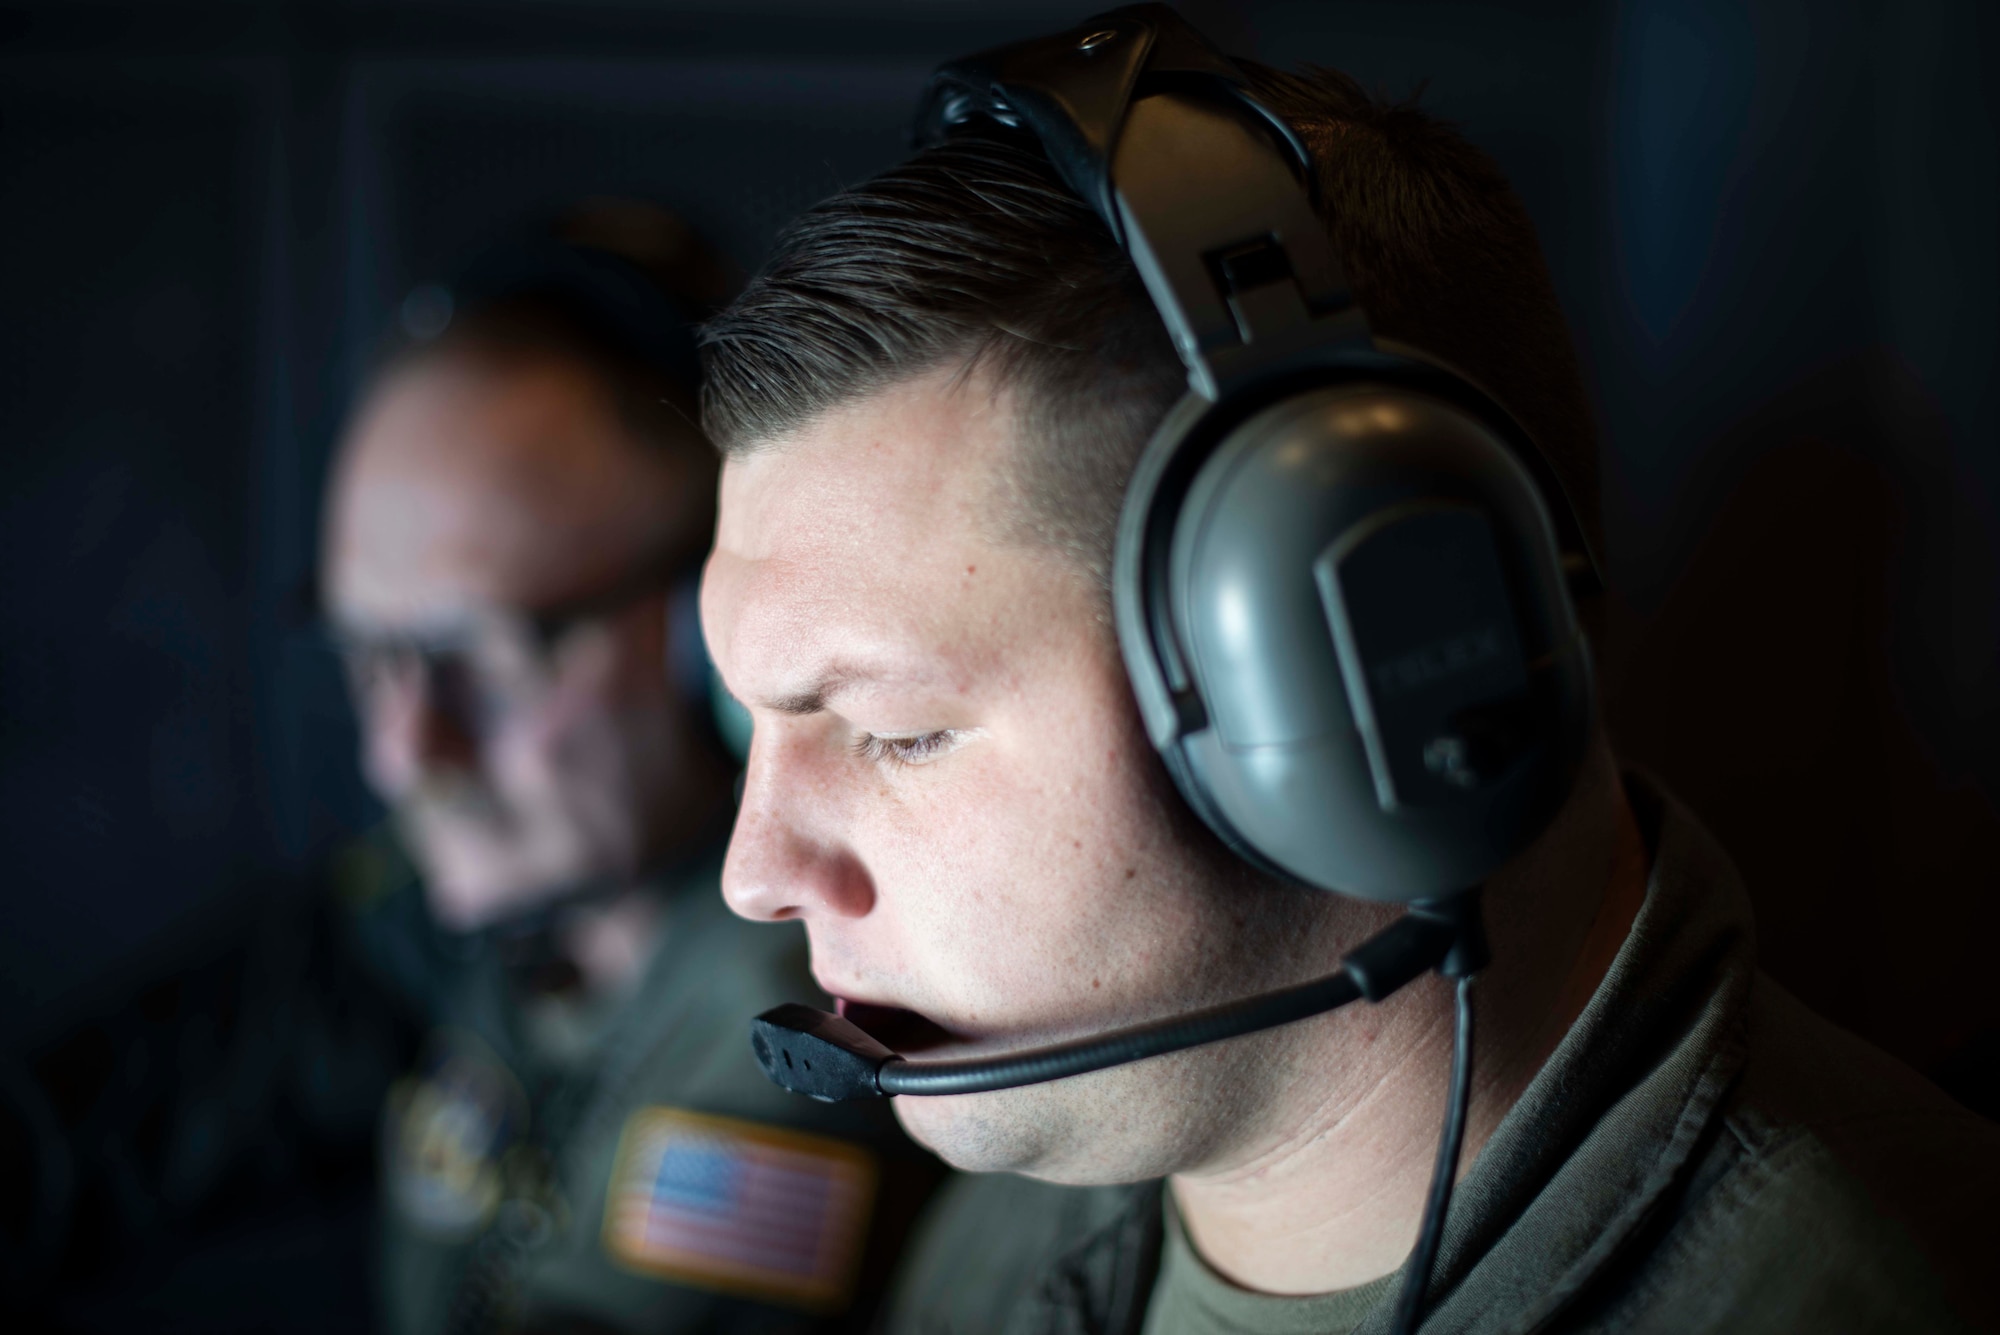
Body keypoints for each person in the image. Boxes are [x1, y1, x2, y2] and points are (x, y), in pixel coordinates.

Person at [692, 18, 2000, 1335]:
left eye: (895, 730)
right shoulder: (1024, 1214)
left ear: (1376, 659)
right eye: (742, 714)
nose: (755, 870)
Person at [319, 201, 937, 1335]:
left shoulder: (795, 1036)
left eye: (482, 665)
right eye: (371, 663)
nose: (399, 754)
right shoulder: (482, 892)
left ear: (713, 637)